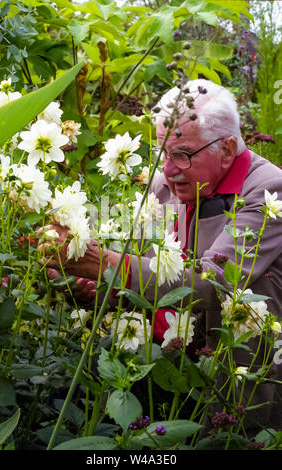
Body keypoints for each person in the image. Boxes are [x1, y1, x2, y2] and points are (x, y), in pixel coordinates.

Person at [38, 79, 282, 431]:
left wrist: (103, 263)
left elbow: (209, 282)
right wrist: (84, 280)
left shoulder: (268, 189)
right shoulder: (163, 185)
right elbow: (137, 264)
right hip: (160, 362)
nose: (167, 170)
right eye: (161, 153)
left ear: (228, 149)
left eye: (182, 154)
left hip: (233, 376)